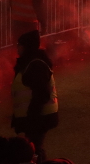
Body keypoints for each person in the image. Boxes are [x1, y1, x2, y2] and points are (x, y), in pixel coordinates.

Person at [11, 29, 59, 157]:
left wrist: (32, 118)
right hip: (37, 116)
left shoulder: (35, 65)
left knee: (34, 150)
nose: (17, 48)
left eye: (19, 45)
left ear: (26, 46)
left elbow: (41, 94)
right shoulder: (31, 62)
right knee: (34, 148)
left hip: (38, 117)